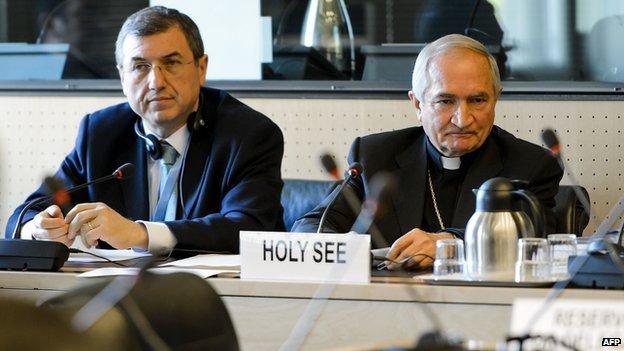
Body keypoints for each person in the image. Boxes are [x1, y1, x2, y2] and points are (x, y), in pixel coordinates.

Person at [5, 6, 285, 255]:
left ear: (201, 68)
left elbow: (247, 228)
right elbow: (25, 214)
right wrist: (37, 229)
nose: (156, 82)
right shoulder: (101, 133)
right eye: (140, 66)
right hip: (122, 298)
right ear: (122, 77)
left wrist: (139, 233)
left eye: (171, 63)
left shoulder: (249, 134)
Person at [293, 34, 562, 270]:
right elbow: (313, 225)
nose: (462, 119)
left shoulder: (530, 166)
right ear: (418, 104)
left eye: (477, 100)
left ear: (496, 99)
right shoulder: (375, 156)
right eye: (446, 101)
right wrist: (340, 247)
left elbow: (537, 239)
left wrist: (448, 244)